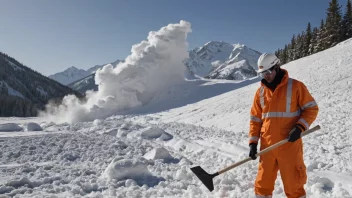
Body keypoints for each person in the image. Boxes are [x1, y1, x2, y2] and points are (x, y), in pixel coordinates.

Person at [248, 53, 319, 198]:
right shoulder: (260, 92)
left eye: (268, 71)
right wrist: (253, 143)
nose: (265, 76)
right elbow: (255, 120)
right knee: (262, 185)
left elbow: (311, 108)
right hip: (267, 146)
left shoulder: (296, 86)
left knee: (294, 186)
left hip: (289, 144)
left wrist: (299, 127)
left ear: (277, 67)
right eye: (262, 73)